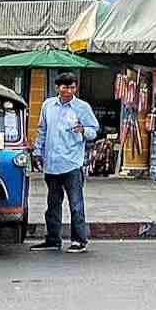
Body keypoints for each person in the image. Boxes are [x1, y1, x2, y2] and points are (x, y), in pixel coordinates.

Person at [32, 71, 100, 253]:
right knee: (52, 204)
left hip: (72, 163)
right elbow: (42, 130)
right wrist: (37, 152)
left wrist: (83, 130)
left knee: (76, 204)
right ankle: (52, 240)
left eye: (72, 87)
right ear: (57, 88)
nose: (68, 90)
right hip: (52, 163)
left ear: (75, 88)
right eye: (64, 87)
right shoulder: (48, 105)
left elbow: (94, 131)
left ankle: (79, 240)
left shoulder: (82, 107)